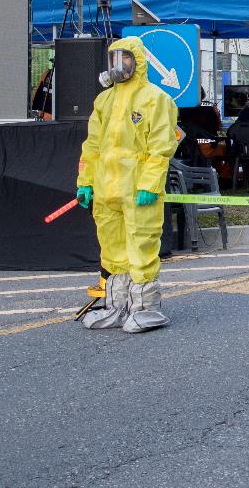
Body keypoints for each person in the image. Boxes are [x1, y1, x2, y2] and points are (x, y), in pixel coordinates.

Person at [75, 36, 179, 332]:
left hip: (137, 191)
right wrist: (86, 182)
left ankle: (146, 308)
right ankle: (117, 306)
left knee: (142, 245)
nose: (119, 65)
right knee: (112, 249)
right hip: (107, 191)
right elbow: (92, 146)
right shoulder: (104, 100)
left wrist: (150, 184)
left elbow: (160, 147)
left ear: (138, 61)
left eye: (125, 58)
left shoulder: (156, 99)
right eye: (113, 59)